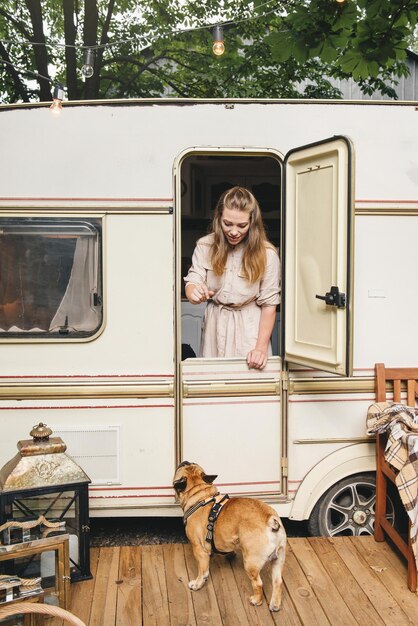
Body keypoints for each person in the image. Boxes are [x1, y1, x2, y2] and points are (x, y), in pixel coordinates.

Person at [184, 186, 281, 369]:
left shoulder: (267, 254)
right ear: (219, 218)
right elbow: (193, 281)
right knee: (212, 381)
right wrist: (193, 292)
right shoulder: (205, 246)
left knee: (249, 385)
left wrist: (260, 348)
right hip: (215, 323)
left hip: (250, 327)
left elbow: (269, 304)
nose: (234, 231)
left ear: (252, 222)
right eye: (227, 224)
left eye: (242, 225)